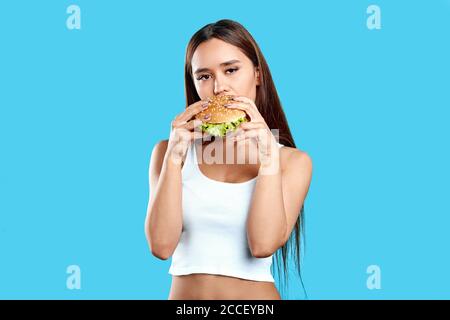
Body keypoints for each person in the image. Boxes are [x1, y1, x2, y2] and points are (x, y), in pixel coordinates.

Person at [145, 19, 313, 300]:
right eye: (204, 76)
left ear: (257, 74)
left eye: (231, 70)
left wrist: (268, 157)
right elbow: (161, 247)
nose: (219, 87)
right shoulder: (166, 152)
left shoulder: (291, 162)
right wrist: (174, 159)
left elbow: (262, 244)